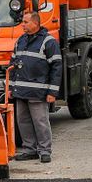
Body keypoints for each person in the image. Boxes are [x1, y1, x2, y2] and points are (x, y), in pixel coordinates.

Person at [10, 11, 63, 163]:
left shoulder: (49, 42)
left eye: (25, 22)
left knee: (40, 122)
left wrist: (52, 92)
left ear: (35, 23)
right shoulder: (20, 40)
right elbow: (12, 66)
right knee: (23, 122)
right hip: (21, 91)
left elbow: (57, 68)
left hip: (38, 92)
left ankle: (45, 151)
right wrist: (10, 88)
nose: (22, 25)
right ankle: (30, 150)